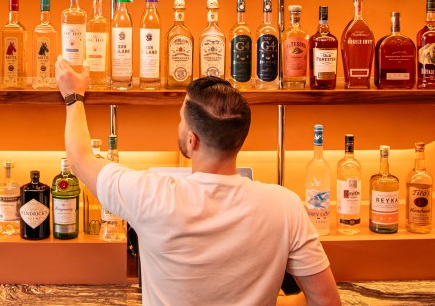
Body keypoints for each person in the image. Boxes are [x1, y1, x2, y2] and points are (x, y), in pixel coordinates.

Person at [56, 56, 341, 306]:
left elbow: (80, 159)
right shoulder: (285, 206)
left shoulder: (149, 194)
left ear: (192, 140)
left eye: (181, 119)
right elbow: (326, 300)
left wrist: (73, 97)